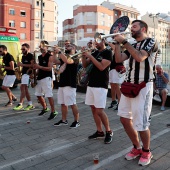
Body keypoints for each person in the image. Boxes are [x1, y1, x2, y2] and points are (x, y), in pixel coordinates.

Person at [114, 20, 158, 166]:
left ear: (143, 28)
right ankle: (137, 148)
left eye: (134, 26)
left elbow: (140, 57)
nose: (131, 29)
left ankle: (146, 151)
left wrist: (124, 41)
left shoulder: (150, 41)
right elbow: (119, 59)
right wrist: (116, 45)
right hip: (129, 84)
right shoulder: (131, 44)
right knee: (124, 119)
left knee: (142, 123)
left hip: (144, 85)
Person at [81, 34, 113, 144]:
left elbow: (101, 67)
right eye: (95, 40)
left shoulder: (107, 52)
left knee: (99, 110)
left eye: (98, 40)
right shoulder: (94, 52)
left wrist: (90, 56)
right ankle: (99, 131)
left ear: (103, 41)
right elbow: (85, 65)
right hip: (91, 83)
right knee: (93, 109)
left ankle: (108, 131)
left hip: (101, 84)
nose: (96, 42)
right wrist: (83, 55)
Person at [53, 44, 80, 128]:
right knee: (63, 103)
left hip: (70, 83)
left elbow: (68, 61)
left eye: (68, 46)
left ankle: (76, 121)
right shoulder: (64, 56)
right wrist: (54, 53)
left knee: (72, 103)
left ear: (74, 48)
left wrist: (60, 52)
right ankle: (64, 120)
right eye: (66, 46)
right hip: (62, 83)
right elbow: (55, 61)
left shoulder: (75, 57)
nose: (66, 47)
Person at [34, 40, 58, 120]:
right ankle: (45, 108)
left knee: (49, 95)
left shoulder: (50, 56)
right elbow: (39, 68)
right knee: (38, 94)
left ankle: (53, 111)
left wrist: (39, 67)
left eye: (43, 46)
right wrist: (34, 74)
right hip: (40, 77)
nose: (41, 47)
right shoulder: (39, 56)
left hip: (47, 77)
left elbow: (49, 68)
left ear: (47, 47)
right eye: (41, 46)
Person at [13, 43, 35, 111]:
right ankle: (30, 104)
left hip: (28, 74)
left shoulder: (30, 55)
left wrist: (22, 64)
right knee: (25, 89)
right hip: (24, 74)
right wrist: (20, 71)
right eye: (21, 49)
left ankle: (20, 104)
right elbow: (24, 66)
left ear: (28, 49)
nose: (22, 50)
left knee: (23, 87)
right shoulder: (23, 56)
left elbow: (32, 65)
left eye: (23, 49)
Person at [107, 42, 125, 110]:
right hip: (112, 69)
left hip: (117, 70)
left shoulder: (118, 50)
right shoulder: (111, 51)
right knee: (112, 86)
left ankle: (120, 103)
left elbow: (115, 48)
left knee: (117, 87)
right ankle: (113, 101)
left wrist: (108, 42)